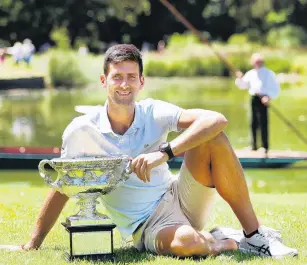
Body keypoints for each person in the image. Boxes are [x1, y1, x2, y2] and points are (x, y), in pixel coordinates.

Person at [5, 45, 296, 258]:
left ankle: (254, 236)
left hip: (179, 195)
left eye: (132, 77)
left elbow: (216, 119)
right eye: (117, 77)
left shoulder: (153, 111)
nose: (124, 84)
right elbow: (62, 187)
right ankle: (224, 240)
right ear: (103, 81)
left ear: (141, 82)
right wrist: (33, 242)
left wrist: (165, 152)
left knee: (213, 137)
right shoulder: (81, 131)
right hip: (148, 224)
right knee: (189, 245)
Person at [235, 53, 280, 154]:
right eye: (256, 62)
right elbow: (243, 85)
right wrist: (239, 78)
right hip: (254, 98)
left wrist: (268, 96)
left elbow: (275, 88)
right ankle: (253, 146)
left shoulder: (269, 73)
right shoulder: (251, 73)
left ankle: (265, 146)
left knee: (263, 123)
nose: (258, 63)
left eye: (260, 61)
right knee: (253, 122)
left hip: (264, 98)